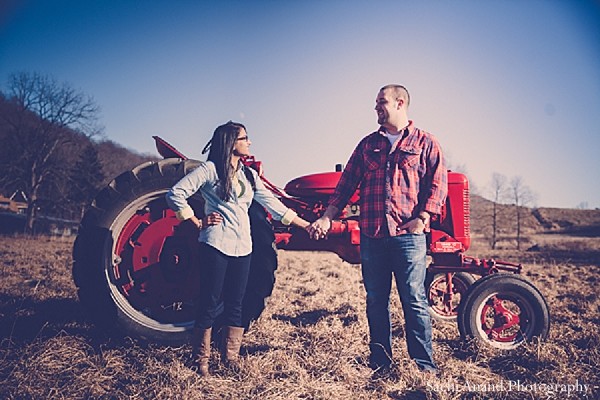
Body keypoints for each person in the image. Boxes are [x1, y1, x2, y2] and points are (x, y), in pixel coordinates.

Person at [308, 85, 447, 374]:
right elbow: (346, 184)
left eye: (381, 102)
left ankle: (424, 367)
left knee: (413, 299)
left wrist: (422, 218)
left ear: (399, 103)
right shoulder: (367, 144)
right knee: (376, 301)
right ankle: (381, 363)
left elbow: (438, 183)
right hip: (373, 236)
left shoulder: (425, 142)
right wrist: (327, 217)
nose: (376, 108)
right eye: (375, 103)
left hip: (408, 236)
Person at [166, 121, 310, 376]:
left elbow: (275, 207)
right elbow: (176, 193)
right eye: (245, 138)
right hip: (215, 244)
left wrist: (306, 225)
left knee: (236, 303)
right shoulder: (210, 170)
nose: (249, 142)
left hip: (243, 247)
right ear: (231, 142)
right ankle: (201, 361)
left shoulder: (248, 175)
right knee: (209, 302)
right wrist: (196, 221)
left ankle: (230, 358)